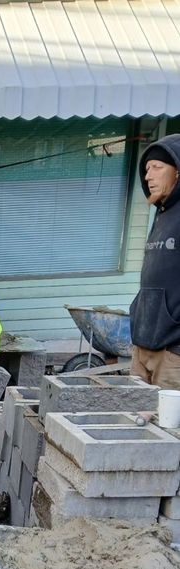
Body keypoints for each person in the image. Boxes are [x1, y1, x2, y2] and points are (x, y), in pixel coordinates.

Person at [130, 135, 180, 388]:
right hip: (143, 345)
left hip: (172, 353)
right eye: (147, 169)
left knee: (169, 427)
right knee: (132, 421)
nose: (149, 176)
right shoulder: (162, 214)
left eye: (157, 167)